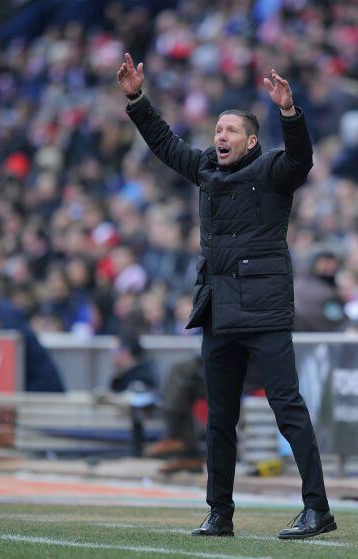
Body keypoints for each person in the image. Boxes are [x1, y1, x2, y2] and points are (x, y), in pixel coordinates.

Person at [117, 53, 334, 539]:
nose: (220, 136)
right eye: (218, 129)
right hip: (218, 308)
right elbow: (164, 143)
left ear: (251, 141)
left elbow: (302, 158)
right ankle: (219, 513)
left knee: (287, 408)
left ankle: (317, 509)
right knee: (219, 420)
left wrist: (289, 112)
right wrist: (136, 99)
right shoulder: (205, 169)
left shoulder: (273, 170)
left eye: (231, 130)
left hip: (264, 309)